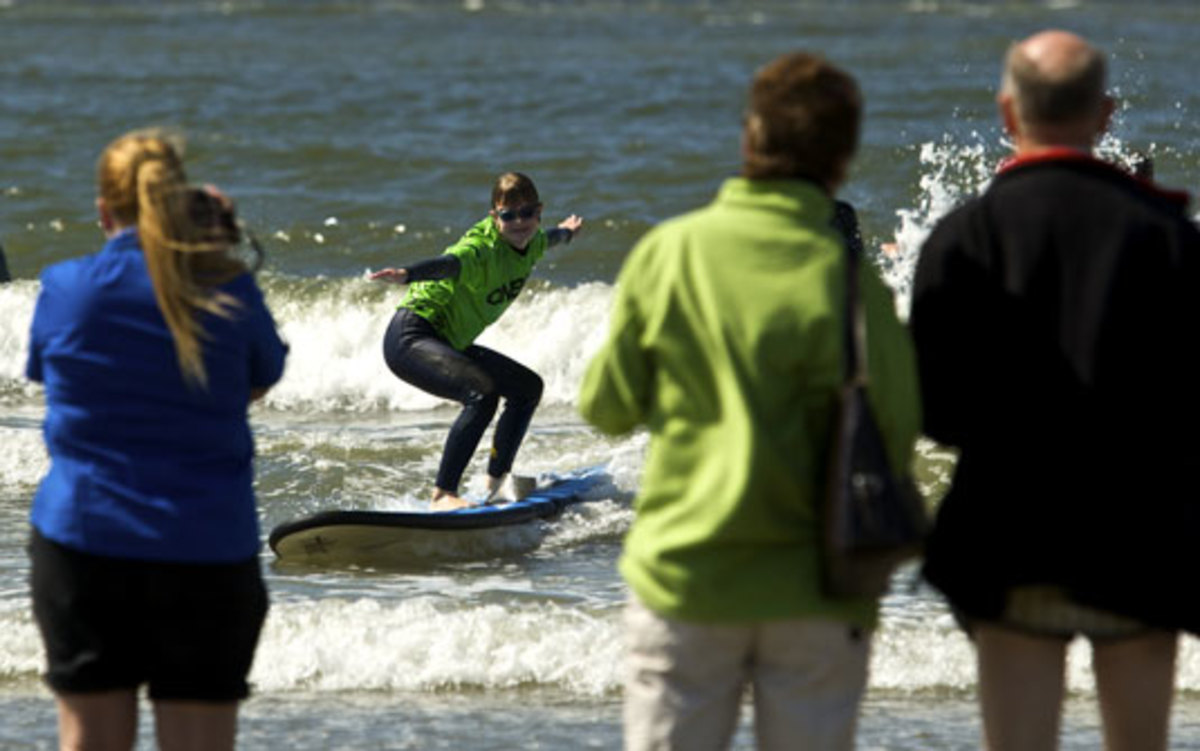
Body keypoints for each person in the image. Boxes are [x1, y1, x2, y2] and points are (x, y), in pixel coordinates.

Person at [579, 52, 921, 751]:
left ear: (749, 139)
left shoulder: (670, 254)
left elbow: (606, 405)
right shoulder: (856, 285)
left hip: (687, 580)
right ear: (842, 159)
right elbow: (898, 426)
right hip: (819, 587)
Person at [909, 30, 1200, 751]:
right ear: (1105, 114)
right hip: (1143, 534)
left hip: (1009, 531)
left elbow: (936, 411)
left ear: (1009, 114)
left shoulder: (964, 235)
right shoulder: (1169, 235)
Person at [25, 129, 288, 751]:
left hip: (83, 543)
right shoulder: (228, 288)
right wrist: (219, 250)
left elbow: (50, 374)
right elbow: (259, 379)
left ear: (103, 210)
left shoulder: (66, 288)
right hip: (205, 547)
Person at [370, 172, 583, 510]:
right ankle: (442, 495)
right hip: (411, 336)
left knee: (527, 388)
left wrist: (568, 232)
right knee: (481, 394)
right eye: (508, 215)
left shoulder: (534, 241)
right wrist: (408, 274)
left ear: (538, 212)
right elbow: (449, 264)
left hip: (449, 341)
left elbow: (551, 237)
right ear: (494, 217)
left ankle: (498, 482)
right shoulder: (481, 249)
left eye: (527, 213)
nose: (519, 223)